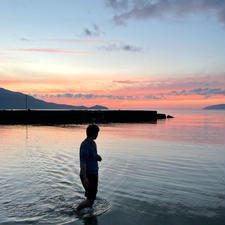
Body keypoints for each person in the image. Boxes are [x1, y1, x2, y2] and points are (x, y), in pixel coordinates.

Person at [77, 124, 102, 211]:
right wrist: (85, 178)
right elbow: (83, 162)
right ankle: (76, 211)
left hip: (94, 173)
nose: (98, 135)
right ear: (93, 133)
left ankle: (90, 213)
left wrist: (97, 157)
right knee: (90, 199)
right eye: (97, 133)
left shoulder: (93, 143)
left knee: (91, 197)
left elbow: (92, 155)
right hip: (88, 175)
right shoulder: (85, 145)